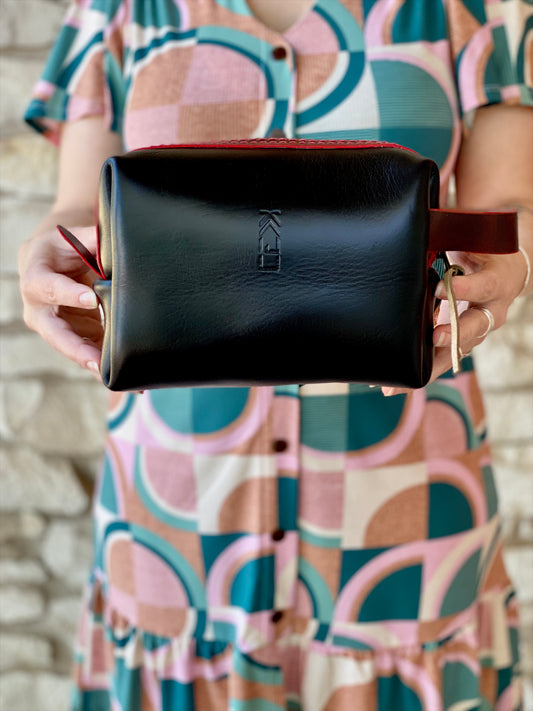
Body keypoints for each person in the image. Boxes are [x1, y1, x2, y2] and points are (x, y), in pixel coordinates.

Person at [19, 0, 533, 709]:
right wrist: (49, 254)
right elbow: (82, 209)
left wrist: (512, 261)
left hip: (405, 519)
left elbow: (507, 201)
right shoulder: (118, 8)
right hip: (175, 523)